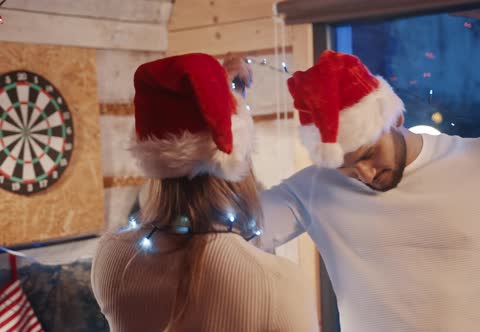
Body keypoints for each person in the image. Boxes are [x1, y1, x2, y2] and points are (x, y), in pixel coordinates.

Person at [254, 51, 480, 331]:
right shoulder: (314, 186)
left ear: (396, 119)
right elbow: (230, 232)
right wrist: (226, 114)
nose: (364, 174)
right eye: (345, 166)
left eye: (369, 154)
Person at [91, 53, 318, 332]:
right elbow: (236, 264)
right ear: (238, 157)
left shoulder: (112, 258)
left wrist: (218, 93)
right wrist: (225, 103)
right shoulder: (281, 285)